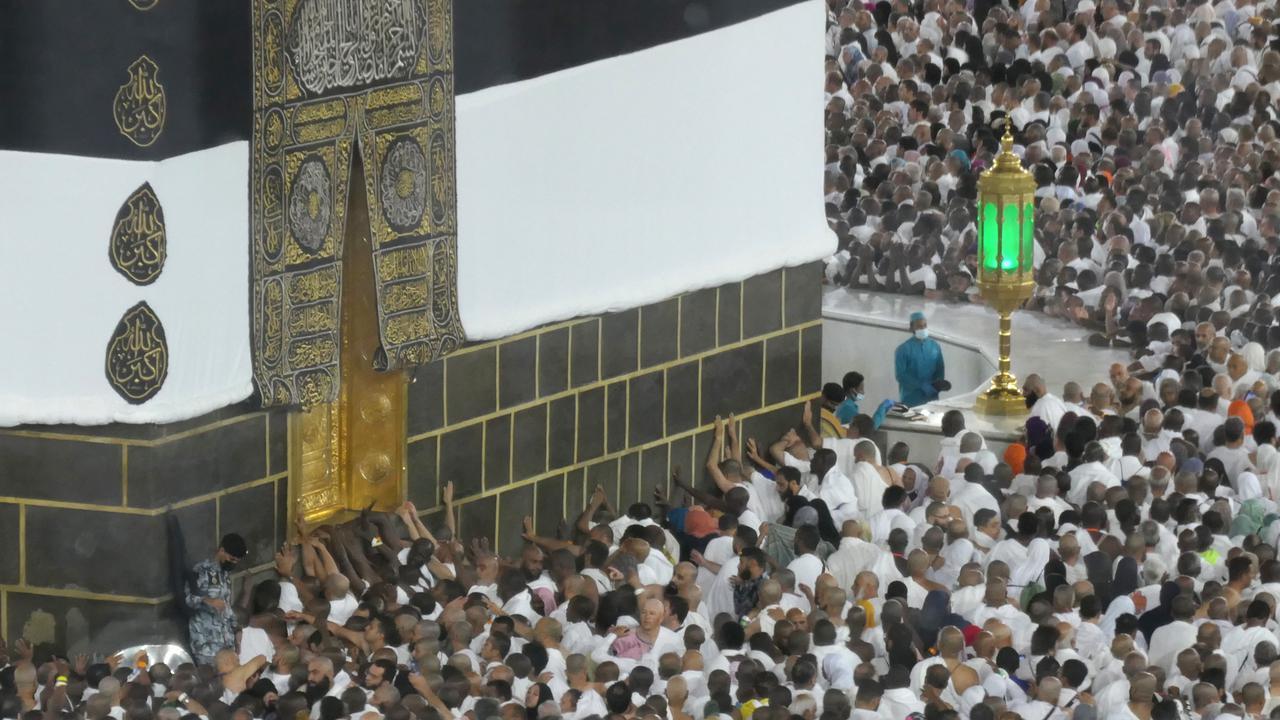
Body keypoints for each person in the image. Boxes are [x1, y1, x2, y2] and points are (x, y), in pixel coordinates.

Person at [183, 532, 247, 665]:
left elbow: (226, 606)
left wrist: (237, 629)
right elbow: (188, 599)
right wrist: (208, 600)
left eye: (237, 561)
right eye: (232, 559)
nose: (233, 563)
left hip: (226, 643)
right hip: (206, 644)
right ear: (222, 550)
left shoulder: (225, 575)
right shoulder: (202, 570)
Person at [895, 311, 949, 407]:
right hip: (911, 398)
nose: (923, 328)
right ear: (911, 328)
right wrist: (921, 386)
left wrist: (937, 385)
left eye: (925, 325)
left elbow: (940, 368)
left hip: (932, 397)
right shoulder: (903, 349)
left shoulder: (935, 346)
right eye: (919, 326)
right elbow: (901, 375)